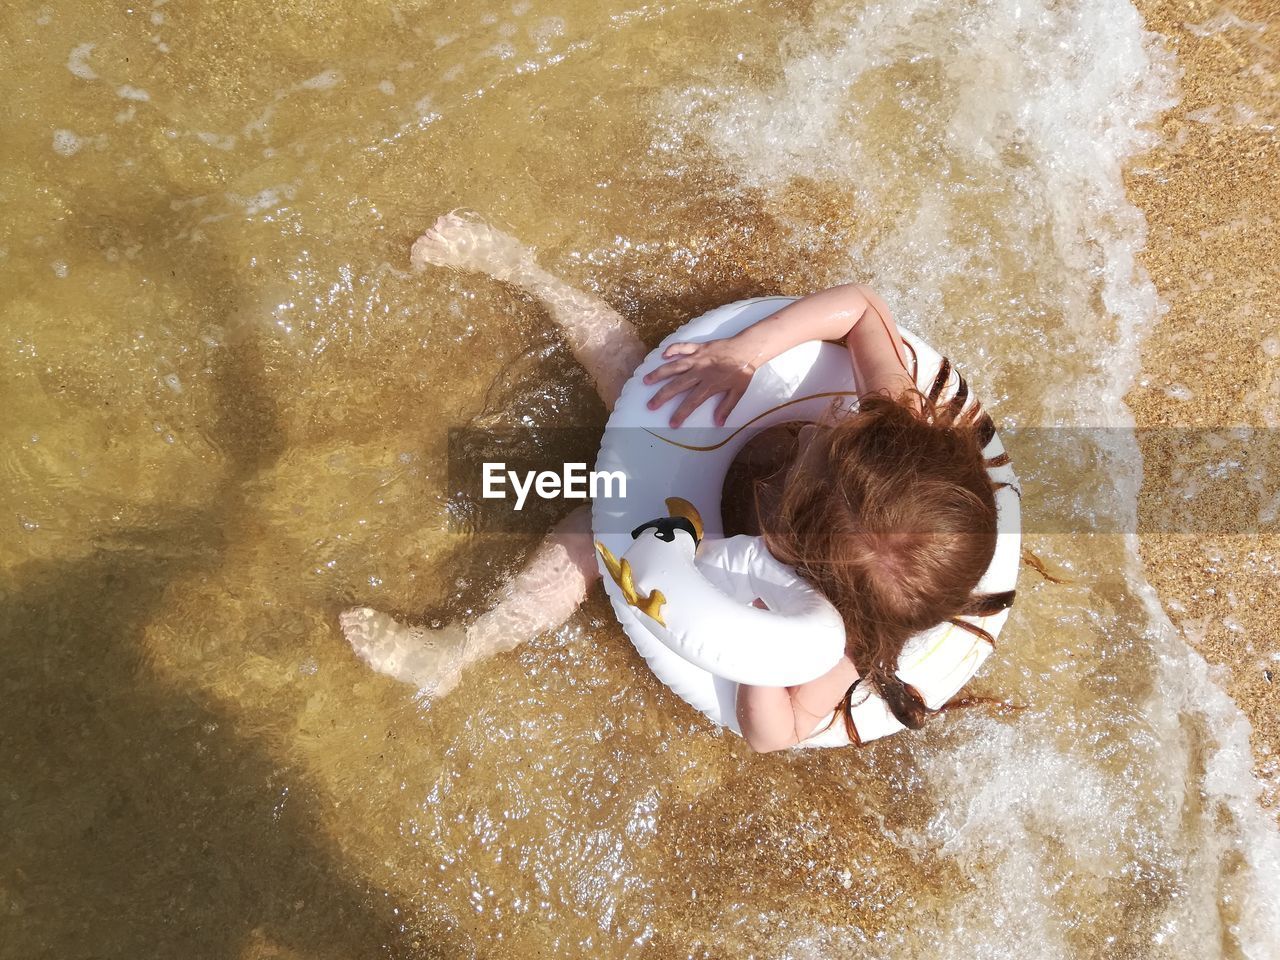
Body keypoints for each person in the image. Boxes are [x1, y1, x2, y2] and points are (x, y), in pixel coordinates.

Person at [340, 211, 1007, 751]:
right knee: (648, 383)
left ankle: (466, 648)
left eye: (805, 464)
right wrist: (748, 353)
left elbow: (780, 734)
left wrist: (759, 641)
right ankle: (530, 275)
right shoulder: (897, 420)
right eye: (827, 436)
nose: (815, 431)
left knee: (594, 535)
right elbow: (862, 308)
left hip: (710, 550)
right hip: (736, 465)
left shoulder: (845, 639)